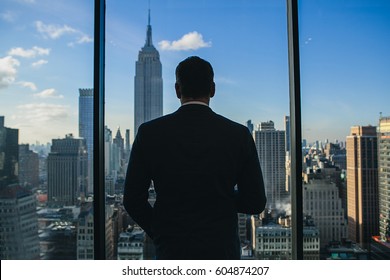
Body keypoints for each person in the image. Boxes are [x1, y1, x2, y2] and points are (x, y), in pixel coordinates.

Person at [124, 56, 266, 260]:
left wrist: (160, 232)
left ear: (177, 90)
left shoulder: (149, 133)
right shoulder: (238, 134)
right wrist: (220, 195)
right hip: (221, 250)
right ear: (213, 90)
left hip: (171, 249)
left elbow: (132, 199)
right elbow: (255, 203)